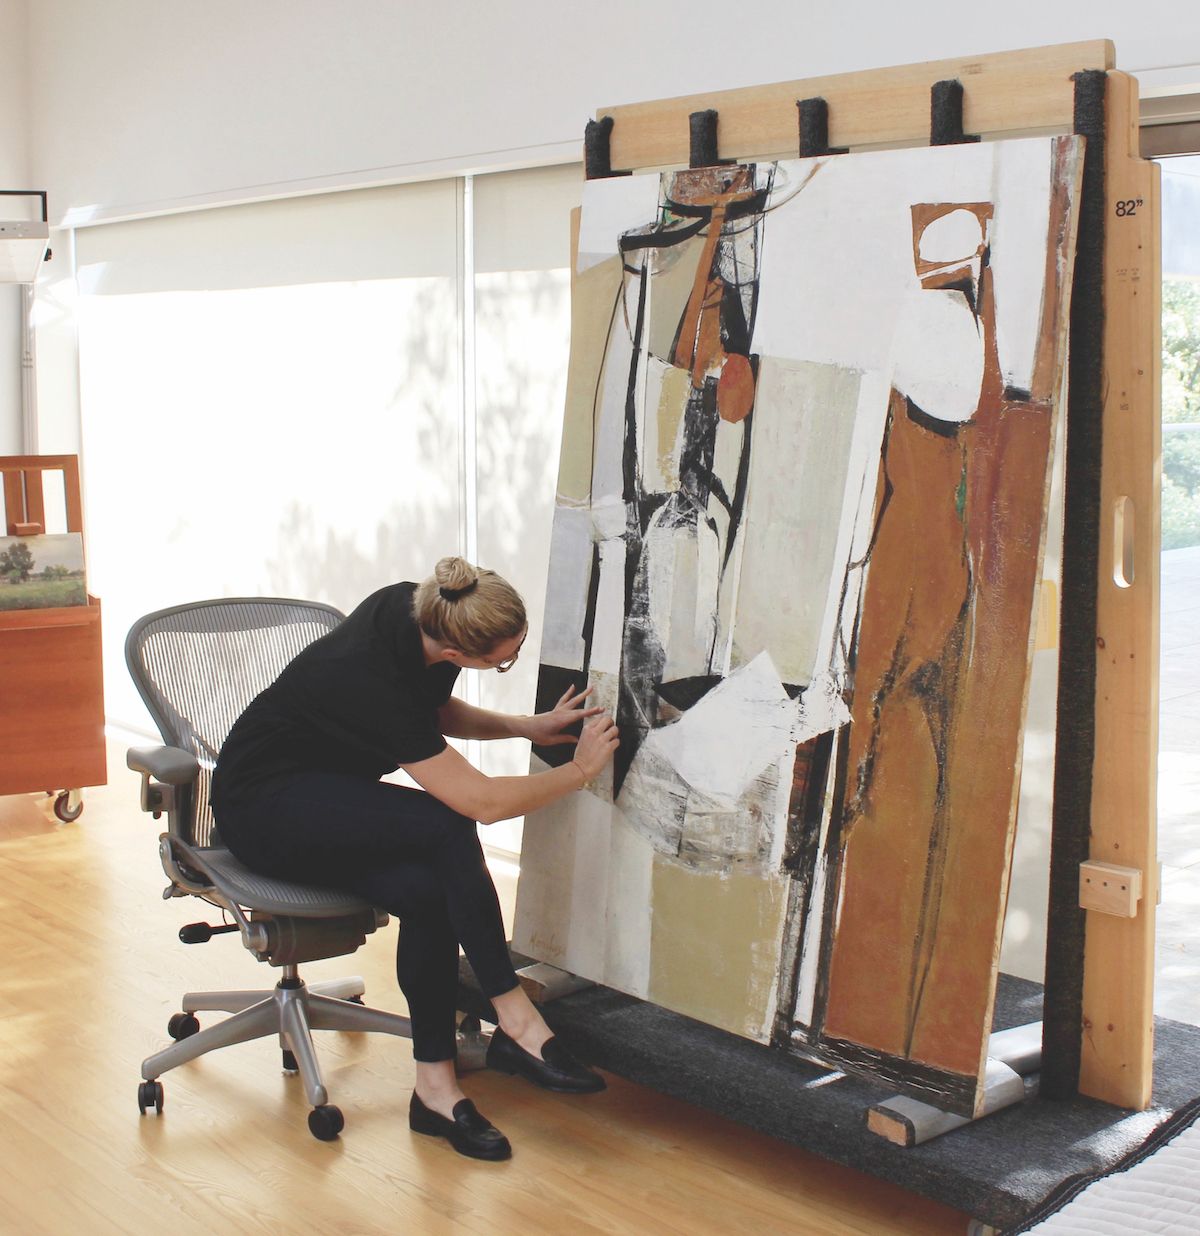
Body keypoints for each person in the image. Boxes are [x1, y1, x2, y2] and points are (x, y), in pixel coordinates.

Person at [211, 556, 620, 1161]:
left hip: (329, 797)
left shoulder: (422, 609)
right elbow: (481, 802)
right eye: (503, 660)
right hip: (264, 809)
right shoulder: (370, 675)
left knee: (429, 894)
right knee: (446, 822)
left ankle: (435, 1091)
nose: (508, 662)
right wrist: (582, 770)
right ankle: (514, 1017)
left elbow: (431, 711)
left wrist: (526, 727)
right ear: (457, 651)